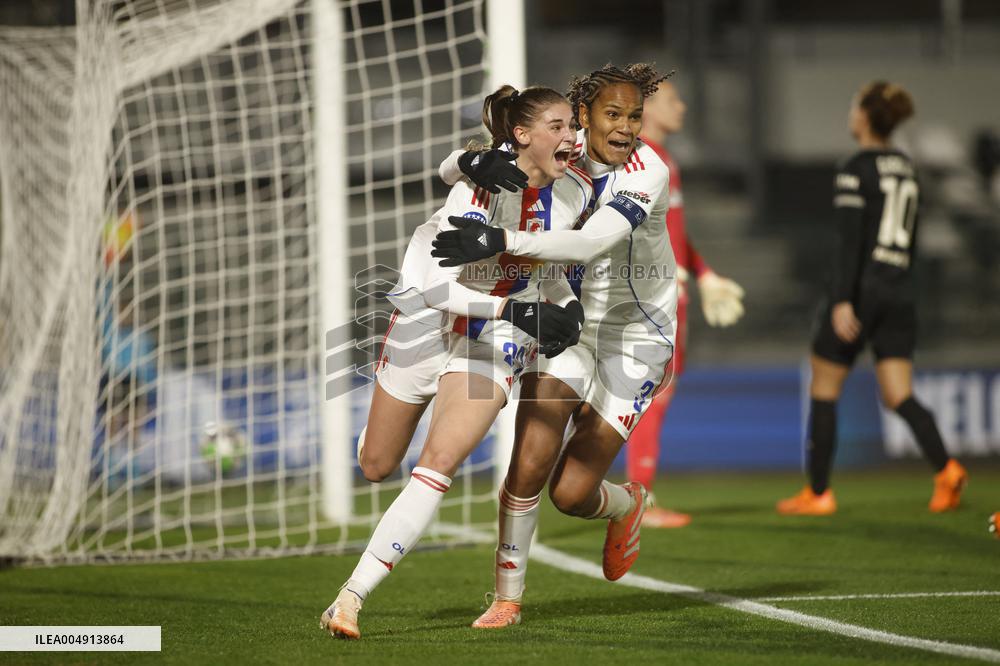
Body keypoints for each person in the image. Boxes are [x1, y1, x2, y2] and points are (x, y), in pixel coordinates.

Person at [320, 85, 591, 640]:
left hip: (489, 339)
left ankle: (349, 598)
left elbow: (551, 268)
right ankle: (375, 443)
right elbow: (440, 290)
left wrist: (564, 311)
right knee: (376, 464)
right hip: (423, 323)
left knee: (438, 463)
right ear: (523, 135)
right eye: (561, 126)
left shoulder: (573, 196)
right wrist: (521, 308)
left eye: (574, 127)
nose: (573, 138)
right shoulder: (479, 186)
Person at [433, 63, 677, 628]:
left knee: (571, 494)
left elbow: (593, 241)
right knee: (530, 458)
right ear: (584, 115)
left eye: (635, 116)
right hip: (567, 323)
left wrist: (501, 240)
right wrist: (469, 164)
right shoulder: (554, 153)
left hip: (635, 339)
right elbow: (456, 166)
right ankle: (507, 599)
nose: (625, 128)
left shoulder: (648, 170)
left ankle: (627, 502)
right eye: (612, 114)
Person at [777, 81, 967, 516]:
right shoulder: (907, 167)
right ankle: (947, 469)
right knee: (900, 394)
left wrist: (843, 300)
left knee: (824, 388)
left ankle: (819, 493)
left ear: (864, 116)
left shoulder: (855, 167)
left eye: (853, 106)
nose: (850, 114)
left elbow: (850, 241)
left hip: (862, 292)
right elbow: (912, 241)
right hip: (900, 290)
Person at [626, 79, 745, 528]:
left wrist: (704, 273)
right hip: (653, 294)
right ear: (649, 107)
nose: (684, 105)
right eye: (673, 99)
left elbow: (671, 231)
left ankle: (634, 494)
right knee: (650, 394)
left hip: (668, 290)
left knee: (652, 393)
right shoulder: (643, 159)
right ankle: (639, 501)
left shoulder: (663, 158)